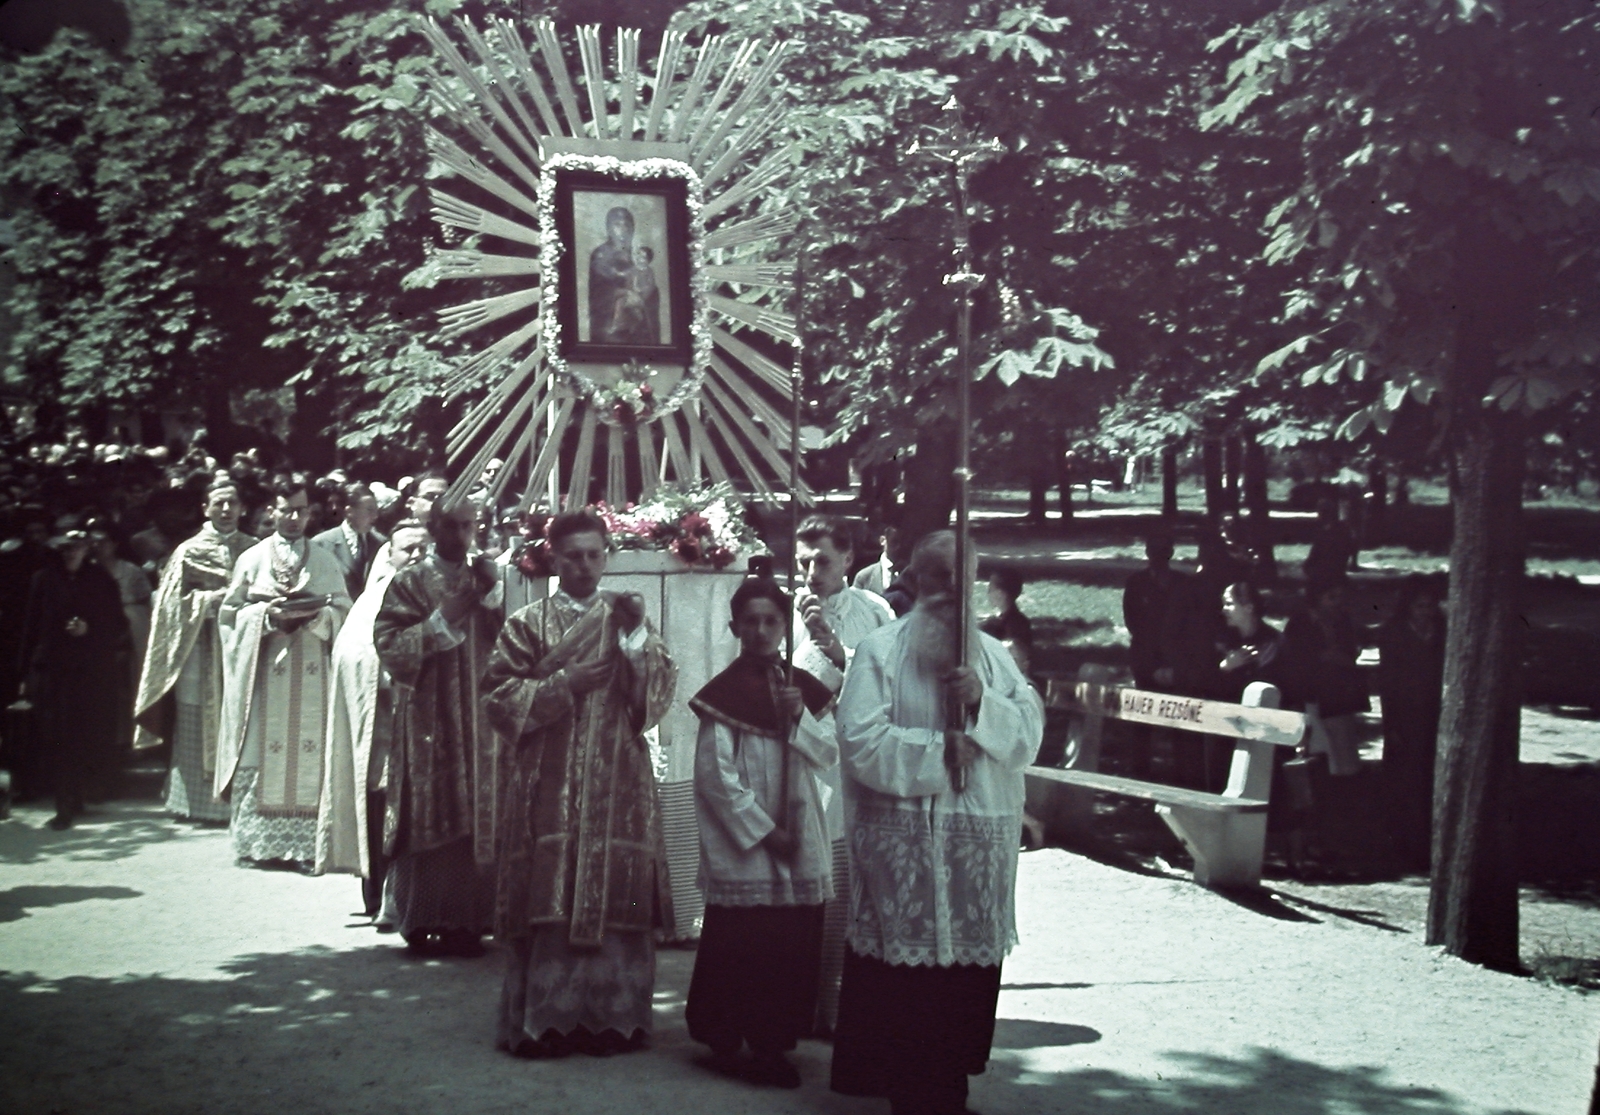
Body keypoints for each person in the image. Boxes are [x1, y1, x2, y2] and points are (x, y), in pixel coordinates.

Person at [830, 530, 1044, 1115]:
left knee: (961, 984)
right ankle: (907, 1092)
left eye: (958, 578)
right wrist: (938, 751)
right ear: (914, 582)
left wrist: (982, 703)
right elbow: (859, 740)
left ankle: (949, 1086)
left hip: (974, 848)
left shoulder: (995, 658)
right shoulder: (879, 651)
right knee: (904, 984)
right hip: (903, 852)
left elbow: (1027, 738)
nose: (947, 591)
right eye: (934, 577)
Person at [483, 510, 677, 1058]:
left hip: (619, 780)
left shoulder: (626, 618)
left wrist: (637, 642)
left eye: (594, 555)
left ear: (607, 555)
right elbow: (497, 700)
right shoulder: (527, 623)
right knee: (551, 892)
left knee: (615, 891)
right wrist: (564, 683)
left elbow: (658, 697)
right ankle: (546, 1021)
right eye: (573, 556)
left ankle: (611, 1022)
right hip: (549, 781)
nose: (585, 566)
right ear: (554, 558)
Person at [685, 577, 836, 1088]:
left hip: (799, 828)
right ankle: (724, 1035)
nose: (761, 629)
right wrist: (766, 833)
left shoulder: (801, 689)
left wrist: (799, 720)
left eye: (772, 620)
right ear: (734, 627)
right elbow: (715, 777)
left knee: (789, 941)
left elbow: (830, 756)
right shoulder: (724, 695)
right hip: (749, 844)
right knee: (743, 940)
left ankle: (774, 1041)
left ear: (785, 626)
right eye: (750, 620)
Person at [373, 500, 505, 957]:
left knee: (476, 819)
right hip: (429, 718)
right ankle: (420, 917)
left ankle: (471, 922)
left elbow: (513, 640)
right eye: (452, 526)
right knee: (427, 814)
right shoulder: (409, 581)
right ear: (433, 527)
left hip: (480, 716)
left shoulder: (484, 579)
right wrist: (440, 621)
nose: (461, 535)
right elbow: (388, 645)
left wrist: (494, 600)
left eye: (469, 526)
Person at [791, 513, 893, 1035]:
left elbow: (889, 682)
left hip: (853, 764)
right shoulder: (783, 608)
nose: (811, 572)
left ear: (849, 559)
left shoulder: (875, 611)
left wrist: (840, 653)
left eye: (823, 561)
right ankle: (796, 1003)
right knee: (806, 878)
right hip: (800, 759)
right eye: (803, 561)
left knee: (848, 877)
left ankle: (841, 1008)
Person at [216, 474, 351, 867]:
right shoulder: (251, 559)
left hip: (311, 665)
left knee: (312, 748)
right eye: (286, 509)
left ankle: (309, 846)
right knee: (262, 747)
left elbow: (344, 610)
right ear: (271, 510)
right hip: (265, 670)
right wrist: (266, 617)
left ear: (310, 513)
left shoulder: (326, 560)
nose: (294, 518)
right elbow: (230, 613)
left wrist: (318, 617)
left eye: (301, 510)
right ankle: (259, 844)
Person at [315, 518, 431, 915]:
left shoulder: (444, 594)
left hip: (434, 724)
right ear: (391, 555)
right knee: (383, 807)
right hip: (387, 723)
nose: (416, 555)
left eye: (422, 547)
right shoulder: (374, 598)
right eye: (407, 549)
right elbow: (350, 652)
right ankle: (381, 896)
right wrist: (390, 670)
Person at [134, 479, 255, 823]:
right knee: (195, 723)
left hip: (240, 650)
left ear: (243, 507)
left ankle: (239, 805)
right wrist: (206, 602)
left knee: (242, 720)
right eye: (219, 504)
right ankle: (194, 804)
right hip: (199, 649)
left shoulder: (255, 548)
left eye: (232, 503)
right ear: (206, 509)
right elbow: (169, 606)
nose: (227, 510)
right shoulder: (188, 551)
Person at [17, 520, 131, 829]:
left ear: (87, 549)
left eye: (77, 547)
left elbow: (119, 625)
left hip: (91, 670)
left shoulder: (100, 580)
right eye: (65, 548)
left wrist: (89, 629)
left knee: (86, 733)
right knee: (56, 735)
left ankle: (78, 794)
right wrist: (24, 673)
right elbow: (29, 627)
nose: (71, 553)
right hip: (52, 671)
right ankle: (63, 803)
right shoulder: (43, 579)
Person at [1376, 578, 1446, 872]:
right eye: (1420, 606)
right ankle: (1398, 843)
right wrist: (1391, 724)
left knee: (1428, 778)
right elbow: (1388, 683)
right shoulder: (1393, 633)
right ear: (1408, 606)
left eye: (1430, 606)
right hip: (1403, 716)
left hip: (1432, 713)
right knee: (1402, 781)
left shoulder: (1441, 632)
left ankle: (1427, 842)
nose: (1425, 612)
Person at [312, 482, 387, 602]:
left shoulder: (381, 543)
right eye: (369, 510)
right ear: (349, 511)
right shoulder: (322, 543)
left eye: (376, 510)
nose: (375, 516)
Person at [980, 567, 1033, 675]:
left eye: (990, 589)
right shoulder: (999, 620)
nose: (988, 593)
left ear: (1000, 594)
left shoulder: (1015, 625)